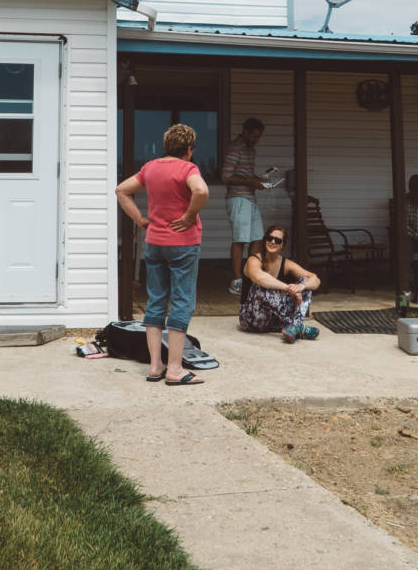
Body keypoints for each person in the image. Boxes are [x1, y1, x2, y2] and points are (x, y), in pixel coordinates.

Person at [115, 121, 211, 386]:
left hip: (154, 242)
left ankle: (155, 365)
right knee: (182, 301)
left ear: (166, 146)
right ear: (189, 149)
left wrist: (140, 220)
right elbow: (201, 190)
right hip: (182, 244)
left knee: (156, 300)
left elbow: (121, 190)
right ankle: (175, 369)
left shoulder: (150, 168)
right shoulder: (188, 168)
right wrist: (190, 215)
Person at [237, 224, 321, 342]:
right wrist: (288, 288)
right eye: (269, 238)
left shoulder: (286, 263)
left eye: (278, 240)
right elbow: (259, 277)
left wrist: (300, 287)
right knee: (265, 285)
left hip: (273, 319)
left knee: (305, 282)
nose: (272, 242)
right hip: (251, 319)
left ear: (283, 245)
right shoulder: (254, 259)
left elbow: (315, 279)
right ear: (265, 240)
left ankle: (295, 325)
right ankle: (296, 326)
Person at [222, 117, 267, 295]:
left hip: (250, 198)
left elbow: (245, 174)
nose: (256, 140)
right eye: (254, 136)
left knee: (257, 238)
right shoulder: (236, 148)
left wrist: (258, 181)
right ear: (246, 131)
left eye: (258, 137)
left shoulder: (251, 149)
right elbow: (226, 176)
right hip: (238, 198)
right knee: (240, 239)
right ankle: (237, 280)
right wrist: (251, 181)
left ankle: (251, 276)